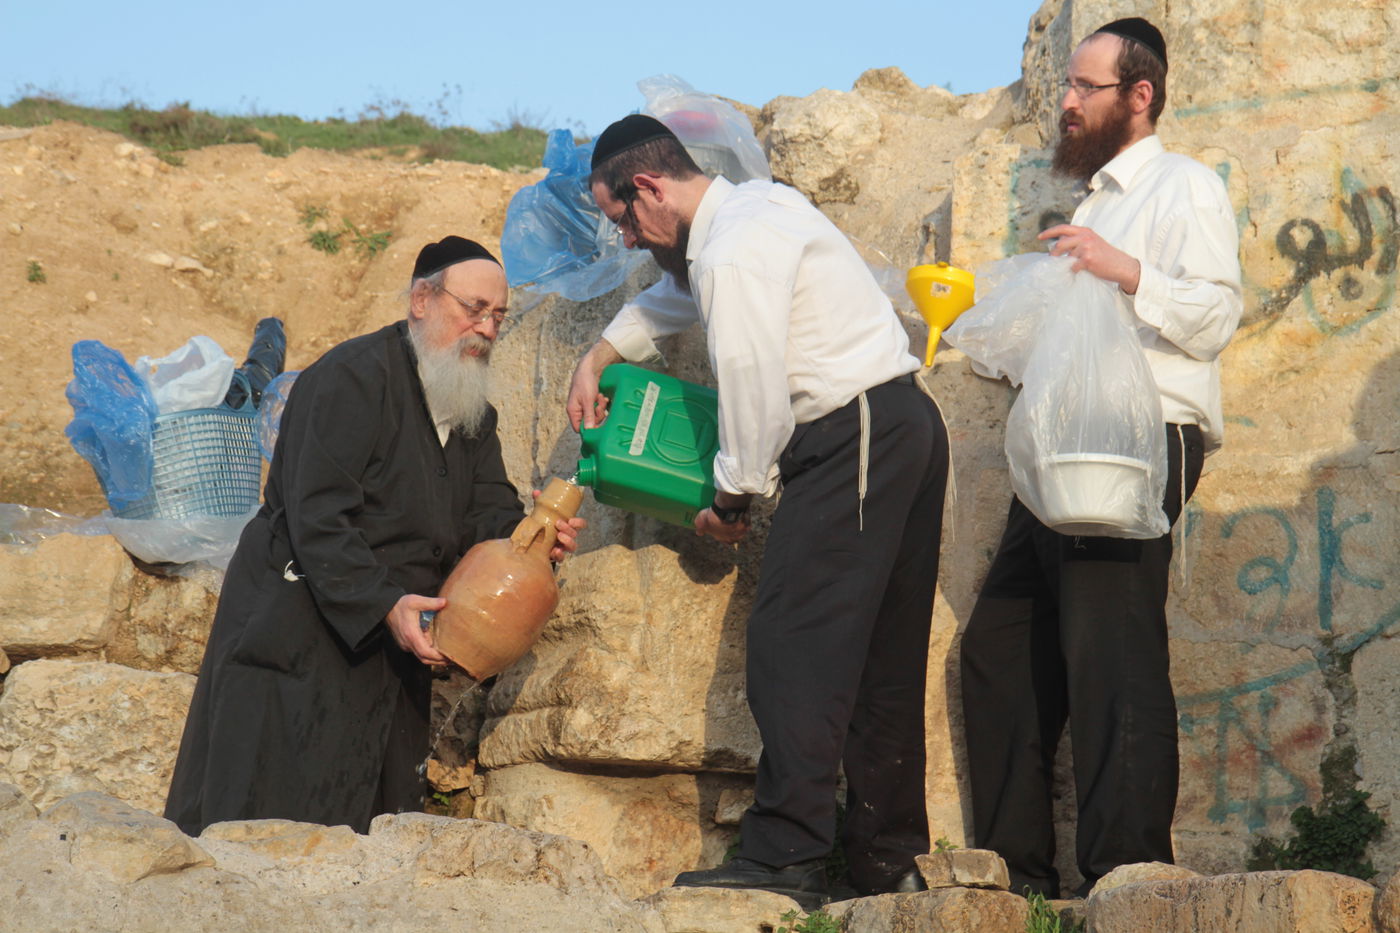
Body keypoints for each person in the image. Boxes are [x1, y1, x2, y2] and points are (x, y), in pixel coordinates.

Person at [566, 115, 949, 909]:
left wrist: (731, 493)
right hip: (894, 426)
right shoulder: (747, 215)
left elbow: (749, 380)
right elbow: (679, 296)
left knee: (791, 637)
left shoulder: (732, 249)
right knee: (877, 657)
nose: (629, 239)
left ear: (649, 186)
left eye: (623, 218)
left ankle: (784, 853)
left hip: (854, 432)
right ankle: (885, 862)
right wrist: (602, 349)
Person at [165, 237, 584, 836]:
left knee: (369, 828)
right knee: (266, 820)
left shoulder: (472, 415)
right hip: (301, 623)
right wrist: (384, 605)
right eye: (474, 309)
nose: (487, 328)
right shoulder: (351, 378)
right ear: (421, 298)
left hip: (392, 639)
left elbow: (487, 513)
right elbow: (318, 517)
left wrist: (533, 539)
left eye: (498, 316)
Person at [958, 18, 1243, 898]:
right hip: (1067, 444)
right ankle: (1017, 875)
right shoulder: (1094, 204)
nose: (1068, 103)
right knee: (1000, 645)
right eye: (1069, 88)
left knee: (1111, 645)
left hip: (1137, 436)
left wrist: (1123, 269)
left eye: (1085, 88)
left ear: (1140, 95)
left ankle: (1129, 875)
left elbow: (1213, 316)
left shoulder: (1183, 188)